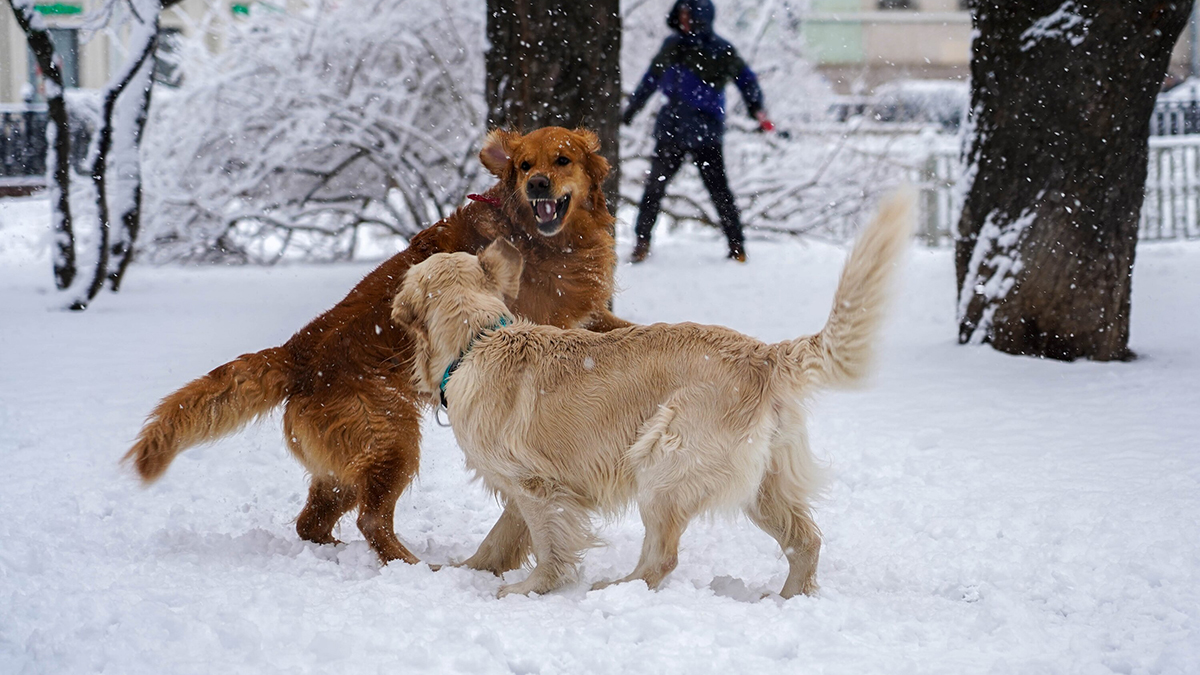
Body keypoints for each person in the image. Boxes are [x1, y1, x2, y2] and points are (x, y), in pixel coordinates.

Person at [623, 0, 774, 264]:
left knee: (718, 190)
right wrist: (631, 110)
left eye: (688, 14)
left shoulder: (721, 50)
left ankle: (737, 247)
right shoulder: (672, 47)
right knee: (654, 187)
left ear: (700, 16)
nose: (684, 19)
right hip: (671, 129)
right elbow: (650, 79)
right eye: (680, 13)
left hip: (706, 132)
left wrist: (757, 110)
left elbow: (746, 80)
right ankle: (642, 242)